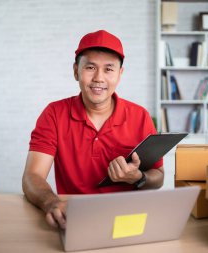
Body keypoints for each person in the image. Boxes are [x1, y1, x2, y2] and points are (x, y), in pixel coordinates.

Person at [22, 30, 164, 230]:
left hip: (127, 218)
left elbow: (158, 177)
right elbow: (32, 176)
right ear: (75, 71)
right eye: (90, 67)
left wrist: (139, 177)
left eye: (108, 69)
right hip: (75, 217)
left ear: (119, 74)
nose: (99, 78)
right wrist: (51, 203)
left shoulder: (140, 116)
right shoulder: (54, 113)